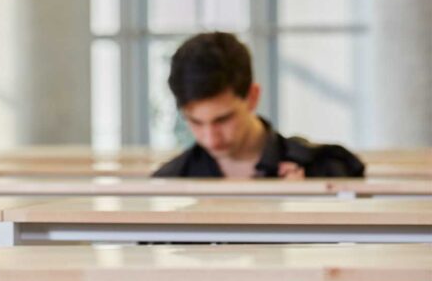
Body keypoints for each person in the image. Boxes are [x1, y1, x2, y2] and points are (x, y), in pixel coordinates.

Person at [153, 32, 365, 179]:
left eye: (223, 119)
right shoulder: (166, 182)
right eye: (196, 122)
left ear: (252, 97)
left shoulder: (326, 169)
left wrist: (304, 209)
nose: (211, 139)